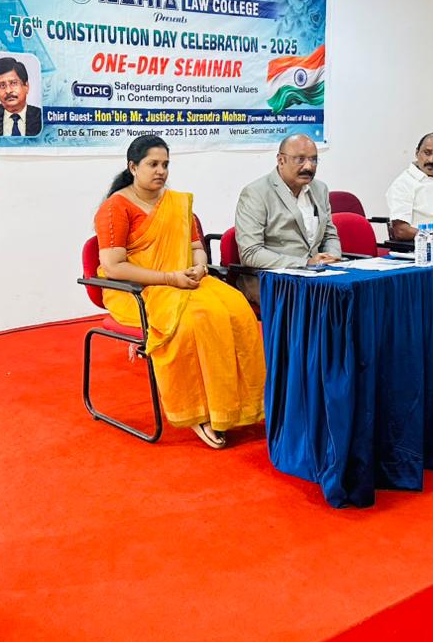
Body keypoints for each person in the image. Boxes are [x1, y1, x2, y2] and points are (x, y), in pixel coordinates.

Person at [94, 135, 265, 448]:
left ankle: (244, 405)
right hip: (139, 288)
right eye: (153, 164)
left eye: (165, 164)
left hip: (185, 280)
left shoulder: (176, 203)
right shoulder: (115, 208)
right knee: (193, 321)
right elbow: (114, 266)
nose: (161, 171)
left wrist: (200, 268)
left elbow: (197, 249)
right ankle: (200, 411)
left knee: (236, 309)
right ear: (133, 167)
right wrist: (169, 278)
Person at [235, 133, 343, 284]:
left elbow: (330, 236)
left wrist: (332, 258)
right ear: (281, 160)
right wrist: (306, 263)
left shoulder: (320, 189)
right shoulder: (255, 193)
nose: (309, 166)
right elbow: (251, 253)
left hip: (318, 277)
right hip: (274, 281)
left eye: (314, 159)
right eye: (300, 159)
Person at [0, 57, 42, 136]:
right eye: (2, 85)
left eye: (13, 83)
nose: (8, 91)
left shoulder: (41, 117)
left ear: (26, 86)